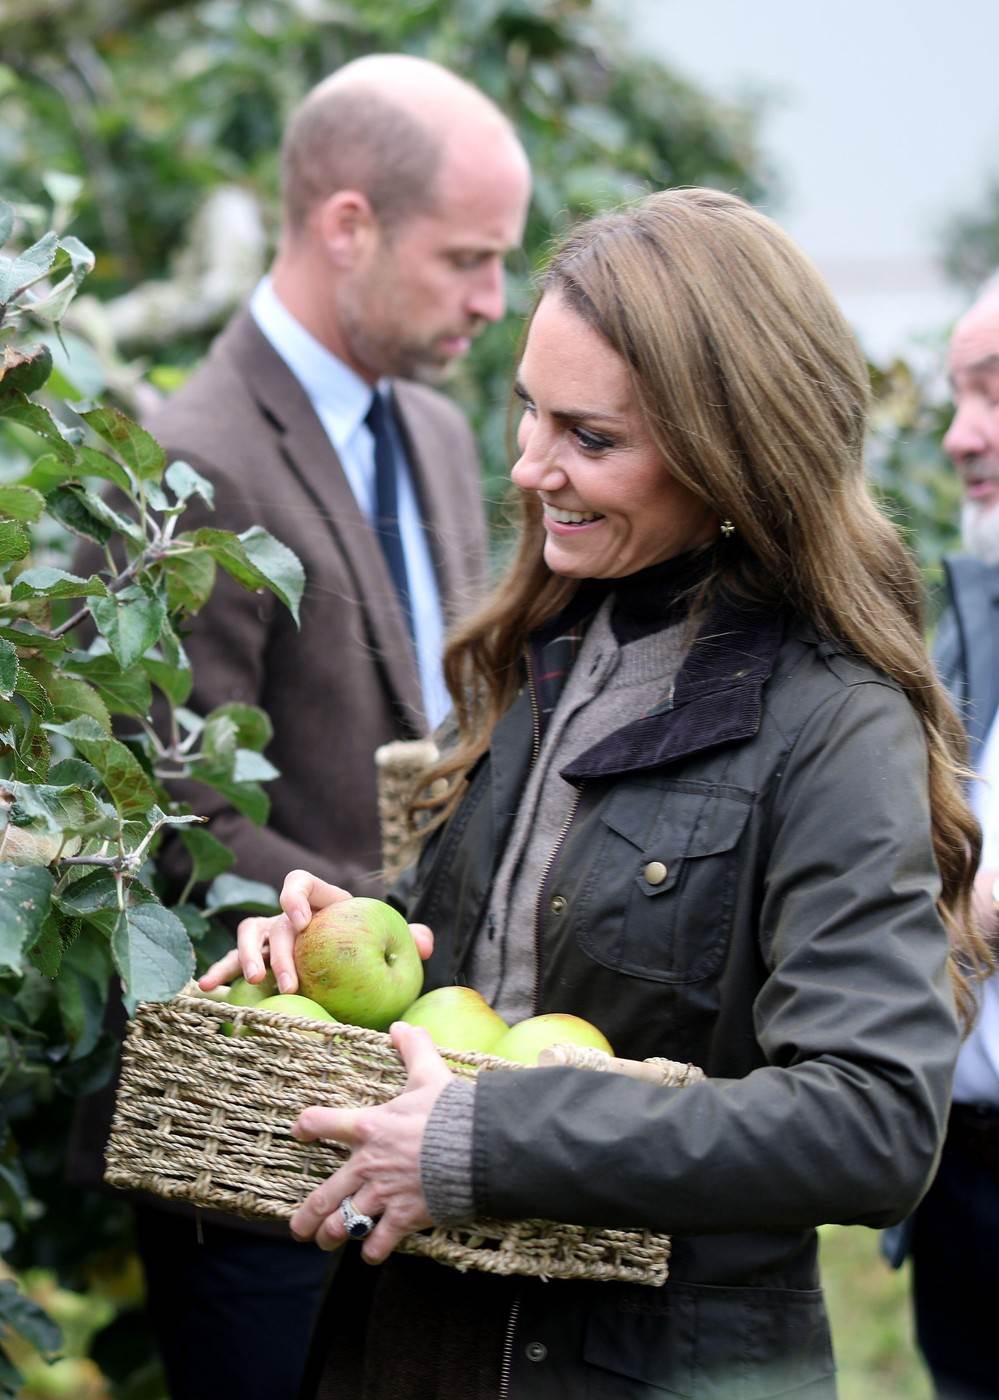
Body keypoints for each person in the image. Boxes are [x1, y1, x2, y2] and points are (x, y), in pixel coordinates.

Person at [202, 188, 988, 1400]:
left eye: (590, 437)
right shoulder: (560, 646)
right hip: (415, 1337)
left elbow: (872, 1119)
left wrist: (489, 1141)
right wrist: (336, 944)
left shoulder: (833, 719)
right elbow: (486, 959)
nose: (529, 466)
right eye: (527, 412)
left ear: (736, 446)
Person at [72, 53, 531, 1400]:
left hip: (414, 1098)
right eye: (465, 258)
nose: (490, 300)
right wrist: (340, 935)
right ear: (349, 226)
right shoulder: (194, 456)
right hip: (265, 1133)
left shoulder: (439, 435)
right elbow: (164, 802)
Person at [905, 276, 999, 1400]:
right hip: (964, 1173)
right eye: (957, 395)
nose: (958, 433)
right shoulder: (972, 605)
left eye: (992, 394)